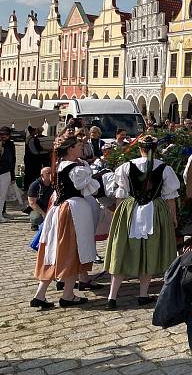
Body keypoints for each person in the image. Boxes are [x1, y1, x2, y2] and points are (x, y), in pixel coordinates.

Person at [103, 136, 179, 310]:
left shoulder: (125, 167)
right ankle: (143, 295)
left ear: (140, 148)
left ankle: (112, 297)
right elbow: (170, 198)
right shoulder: (165, 168)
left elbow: (121, 195)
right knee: (150, 250)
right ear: (156, 149)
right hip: (156, 212)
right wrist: (173, 217)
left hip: (130, 210)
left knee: (122, 250)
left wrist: (119, 216)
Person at [30, 135, 100, 309]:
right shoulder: (76, 169)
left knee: (54, 249)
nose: (81, 147)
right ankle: (67, 295)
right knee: (72, 249)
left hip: (58, 209)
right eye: (78, 145)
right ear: (70, 149)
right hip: (72, 211)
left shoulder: (59, 165)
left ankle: (41, 294)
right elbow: (89, 187)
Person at [0, 126, 16, 222]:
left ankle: (1, 213)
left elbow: (12, 160)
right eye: (1, 134)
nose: (3, 136)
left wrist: (12, 175)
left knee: (2, 195)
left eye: (5, 134)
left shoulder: (10, 144)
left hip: (5, 171)